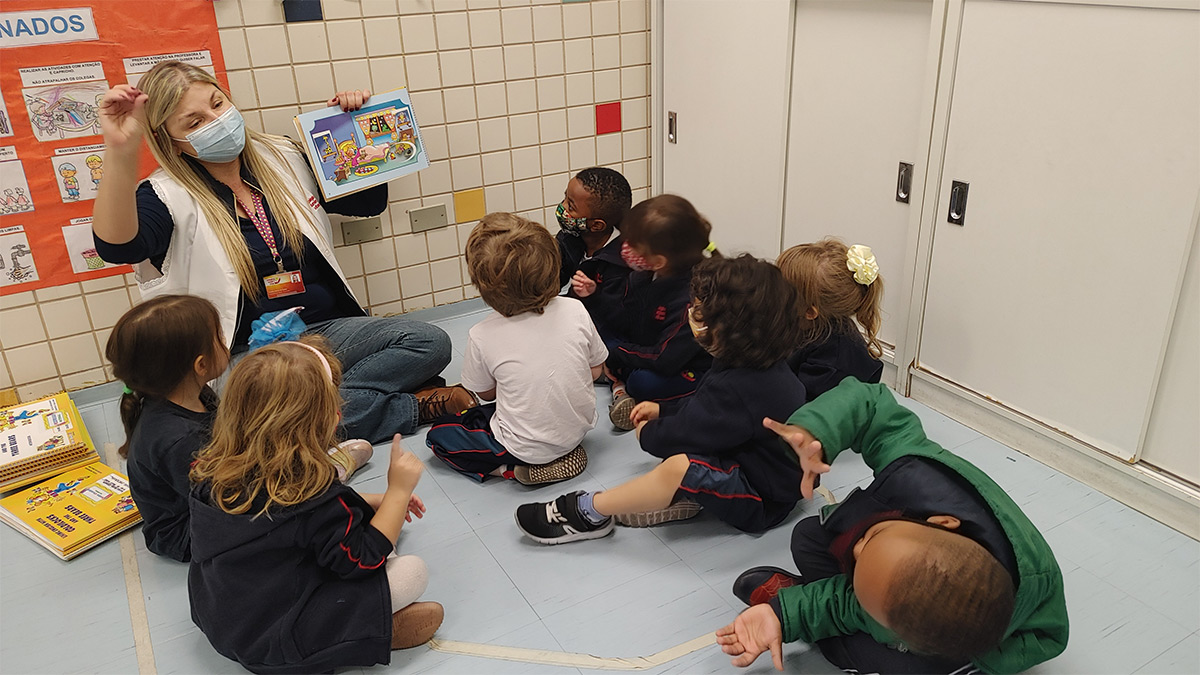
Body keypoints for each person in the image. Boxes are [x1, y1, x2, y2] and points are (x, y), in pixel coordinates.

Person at [90, 60, 467, 445]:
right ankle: (406, 408)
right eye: (195, 123)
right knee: (259, 405)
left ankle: (299, 423)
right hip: (244, 354)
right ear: (171, 141)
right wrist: (120, 152)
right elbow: (117, 246)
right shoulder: (165, 195)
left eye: (217, 105)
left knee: (429, 342)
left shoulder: (283, 156)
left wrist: (352, 124)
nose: (216, 121)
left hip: (324, 333)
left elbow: (366, 203)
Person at [717, 378, 1069, 674]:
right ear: (941, 524)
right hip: (909, 584)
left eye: (867, 543)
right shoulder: (923, 474)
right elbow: (871, 405)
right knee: (808, 538)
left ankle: (823, 619)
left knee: (870, 656)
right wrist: (814, 431)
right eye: (873, 538)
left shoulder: (918, 608)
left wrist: (784, 615)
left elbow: (853, 605)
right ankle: (824, 602)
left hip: (977, 645)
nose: (855, 546)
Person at [188, 340, 443, 674]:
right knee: (413, 571)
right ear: (325, 420)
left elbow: (276, 522)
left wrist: (373, 502)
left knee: (368, 523)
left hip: (223, 618)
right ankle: (364, 635)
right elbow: (361, 561)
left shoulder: (208, 470)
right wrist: (397, 490)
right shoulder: (313, 496)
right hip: (284, 641)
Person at [516, 255, 808, 542]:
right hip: (758, 465)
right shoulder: (759, 362)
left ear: (731, 332)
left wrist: (649, 432)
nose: (691, 317)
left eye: (698, 313)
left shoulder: (738, 388)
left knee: (678, 467)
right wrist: (663, 408)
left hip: (762, 501)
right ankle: (678, 497)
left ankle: (589, 512)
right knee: (684, 448)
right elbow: (706, 408)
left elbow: (685, 432)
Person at [107, 296, 376, 562]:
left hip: (221, 492)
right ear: (200, 365)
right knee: (300, 519)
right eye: (220, 340)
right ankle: (320, 479)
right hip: (191, 534)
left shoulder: (195, 396)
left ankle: (316, 477)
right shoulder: (179, 440)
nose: (225, 345)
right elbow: (228, 503)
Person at [426, 213, 608, 485]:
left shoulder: (482, 334)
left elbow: (486, 394)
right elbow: (595, 371)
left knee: (438, 435)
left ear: (484, 288)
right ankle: (555, 453)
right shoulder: (575, 308)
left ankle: (510, 471)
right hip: (577, 429)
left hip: (523, 447)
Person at [604, 194, 717, 431]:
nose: (625, 248)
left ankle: (619, 385)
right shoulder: (645, 273)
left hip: (684, 366)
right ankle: (616, 379)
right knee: (598, 334)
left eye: (633, 244)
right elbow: (624, 314)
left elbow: (665, 360)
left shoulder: (692, 302)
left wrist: (615, 355)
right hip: (648, 343)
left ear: (658, 260)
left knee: (643, 382)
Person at [777, 239, 884, 402]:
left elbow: (803, 413)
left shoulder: (833, 364)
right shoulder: (806, 322)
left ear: (809, 312)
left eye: (779, 289)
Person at [555, 167, 634, 341]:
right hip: (578, 310)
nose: (562, 207)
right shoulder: (570, 237)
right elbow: (555, 279)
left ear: (597, 225)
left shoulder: (623, 264)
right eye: (565, 198)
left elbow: (619, 318)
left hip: (608, 329)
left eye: (571, 206)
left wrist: (594, 294)